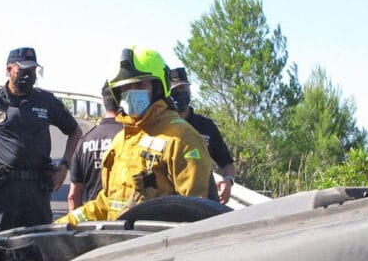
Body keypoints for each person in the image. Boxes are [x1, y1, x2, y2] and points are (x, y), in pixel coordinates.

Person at [60, 47, 213, 225]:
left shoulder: (182, 138)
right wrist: (65, 224)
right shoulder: (121, 140)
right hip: (120, 245)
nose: (131, 93)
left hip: (158, 248)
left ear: (157, 88)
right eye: (124, 88)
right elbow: (107, 203)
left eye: (139, 85)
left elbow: (197, 213)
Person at [0, 47, 82, 235]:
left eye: (32, 71)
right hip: (3, 190)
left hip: (37, 189)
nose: (28, 75)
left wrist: (64, 165)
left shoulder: (45, 100)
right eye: (22, 71)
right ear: (9, 70)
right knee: (1, 248)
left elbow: (74, 131)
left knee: (41, 246)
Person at [166, 66, 237, 204]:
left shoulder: (206, 125)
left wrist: (228, 181)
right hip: (171, 202)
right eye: (175, 91)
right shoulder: (162, 127)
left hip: (204, 202)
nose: (180, 94)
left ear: (190, 90)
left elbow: (227, 163)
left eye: (183, 89)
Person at [67, 84, 120, 209]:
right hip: (126, 222)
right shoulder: (132, 137)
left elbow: (73, 197)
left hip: (94, 222)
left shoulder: (85, 141)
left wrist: (78, 226)